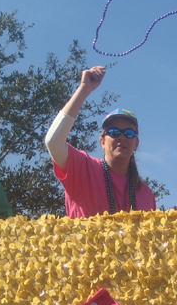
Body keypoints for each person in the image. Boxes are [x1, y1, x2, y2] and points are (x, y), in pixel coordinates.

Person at [45, 66, 157, 218]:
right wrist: (84, 89)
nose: (122, 137)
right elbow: (53, 142)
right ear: (102, 141)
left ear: (136, 144)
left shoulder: (146, 194)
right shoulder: (83, 168)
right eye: (114, 132)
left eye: (129, 133)